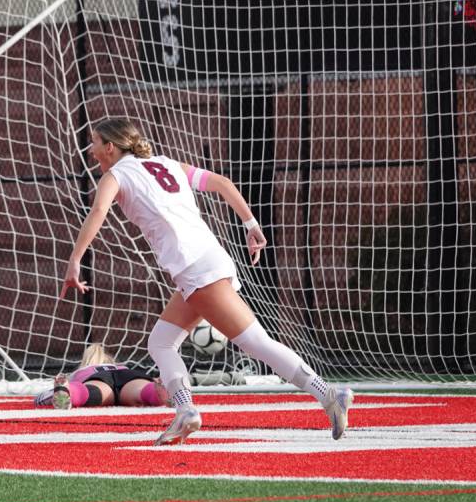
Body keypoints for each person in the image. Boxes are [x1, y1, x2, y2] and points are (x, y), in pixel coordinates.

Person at [59, 117, 354, 446]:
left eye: (95, 143)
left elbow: (98, 211)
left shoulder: (115, 175)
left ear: (110, 147)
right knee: (161, 342)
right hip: (205, 262)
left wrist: (75, 260)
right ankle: (185, 411)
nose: (92, 150)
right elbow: (224, 183)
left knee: (255, 343)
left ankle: (330, 393)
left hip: (196, 267)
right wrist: (251, 223)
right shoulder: (167, 164)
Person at [34, 343, 169, 409]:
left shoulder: (82, 371)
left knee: (87, 392)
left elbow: (41, 399)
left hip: (99, 378)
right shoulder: (120, 365)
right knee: (141, 391)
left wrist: (42, 398)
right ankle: (157, 391)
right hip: (127, 375)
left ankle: (70, 392)